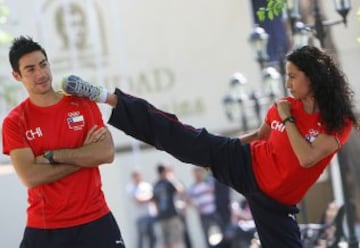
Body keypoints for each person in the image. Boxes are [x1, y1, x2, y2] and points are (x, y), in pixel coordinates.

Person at [61, 45, 357, 247]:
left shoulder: (338, 122)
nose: (288, 84)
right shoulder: (282, 108)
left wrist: (289, 119)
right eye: (286, 76)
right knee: (180, 134)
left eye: (293, 76)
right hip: (245, 163)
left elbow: (307, 158)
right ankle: (104, 96)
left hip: (274, 204)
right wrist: (213, 154)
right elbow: (260, 136)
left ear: (314, 77)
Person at [1, 36, 125, 248]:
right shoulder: (14, 121)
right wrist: (85, 154)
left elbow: (106, 153)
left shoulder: (81, 102)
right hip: (45, 229)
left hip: (96, 220)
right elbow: (30, 177)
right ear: (16, 75)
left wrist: (52, 156)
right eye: (30, 69)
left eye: (43, 64)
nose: (40, 74)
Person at [187, 167, 223, 248]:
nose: (197, 175)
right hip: (203, 215)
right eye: (195, 174)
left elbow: (216, 193)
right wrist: (196, 207)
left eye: (198, 173)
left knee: (221, 233)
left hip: (214, 212)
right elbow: (188, 200)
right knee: (207, 236)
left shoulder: (209, 183)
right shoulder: (192, 188)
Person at [152, 163, 185, 248]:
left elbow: (154, 201)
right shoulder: (169, 182)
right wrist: (172, 178)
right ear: (164, 171)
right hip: (172, 215)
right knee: (175, 241)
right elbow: (180, 190)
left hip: (162, 217)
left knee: (165, 242)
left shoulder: (156, 184)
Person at [127, 170, 157, 248]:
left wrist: (146, 198)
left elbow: (154, 198)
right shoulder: (131, 187)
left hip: (150, 215)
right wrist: (148, 197)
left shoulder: (146, 185)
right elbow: (138, 200)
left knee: (153, 238)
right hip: (140, 217)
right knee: (141, 239)